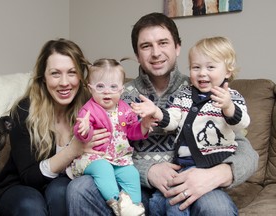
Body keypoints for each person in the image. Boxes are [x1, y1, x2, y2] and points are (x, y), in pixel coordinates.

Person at [66, 12, 258, 216]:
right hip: (131, 185)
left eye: (163, 43)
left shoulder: (202, 91)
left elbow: (247, 153)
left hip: (189, 182)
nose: (156, 53)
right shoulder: (118, 95)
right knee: (79, 189)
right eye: (146, 46)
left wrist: (219, 173)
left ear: (177, 48)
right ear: (137, 55)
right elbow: (101, 148)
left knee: (217, 207)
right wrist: (147, 171)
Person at [0, 38, 110, 216]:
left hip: (64, 182)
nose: (64, 82)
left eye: (71, 72)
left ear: (80, 75)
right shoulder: (23, 110)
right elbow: (29, 177)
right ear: (43, 77)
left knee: (63, 193)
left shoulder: (91, 106)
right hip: (20, 185)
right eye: (55, 73)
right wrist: (73, 150)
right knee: (31, 207)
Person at [131, 36, 251, 215]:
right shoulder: (184, 95)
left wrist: (228, 107)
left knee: (185, 203)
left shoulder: (230, 97)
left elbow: (242, 124)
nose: (202, 73)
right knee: (168, 203)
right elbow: (172, 120)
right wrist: (156, 112)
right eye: (196, 67)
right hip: (183, 166)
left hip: (211, 166)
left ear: (227, 71)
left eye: (210, 67)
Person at [67, 58, 154, 216]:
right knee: (104, 169)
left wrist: (143, 126)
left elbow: (131, 132)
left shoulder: (124, 108)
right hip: (94, 158)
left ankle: (134, 209)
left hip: (119, 159)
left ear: (121, 89)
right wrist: (84, 129)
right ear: (90, 88)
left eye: (113, 87)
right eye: (100, 86)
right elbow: (81, 136)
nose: (107, 91)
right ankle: (118, 204)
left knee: (131, 174)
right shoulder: (89, 110)